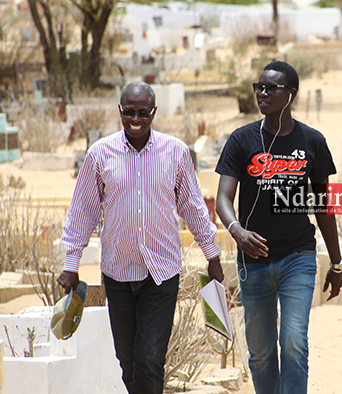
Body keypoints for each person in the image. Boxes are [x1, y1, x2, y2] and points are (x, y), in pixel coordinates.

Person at [57, 82, 224, 394]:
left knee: (149, 358)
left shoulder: (175, 152)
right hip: (117, 273)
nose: (136, 119)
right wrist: (71, 263)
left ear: (154, 113)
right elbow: (82, 211)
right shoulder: (99, 154)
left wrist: (212, 255)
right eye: (129, 112)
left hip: (161, 273)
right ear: (120, 111)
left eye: (143, 113)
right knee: (128, 363)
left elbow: (193, 207)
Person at [215, 61, 342, 394]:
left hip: (297, 256)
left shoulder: (312, 141)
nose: (262, 93)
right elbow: (223, 200)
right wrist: (237, 231)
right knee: (260, 354)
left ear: (291, 95)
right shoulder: (241, 140)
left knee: (293, 343)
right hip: (253, 262)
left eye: (271, 88)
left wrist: (336, 262)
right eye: (259, 86)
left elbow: (322, 206)